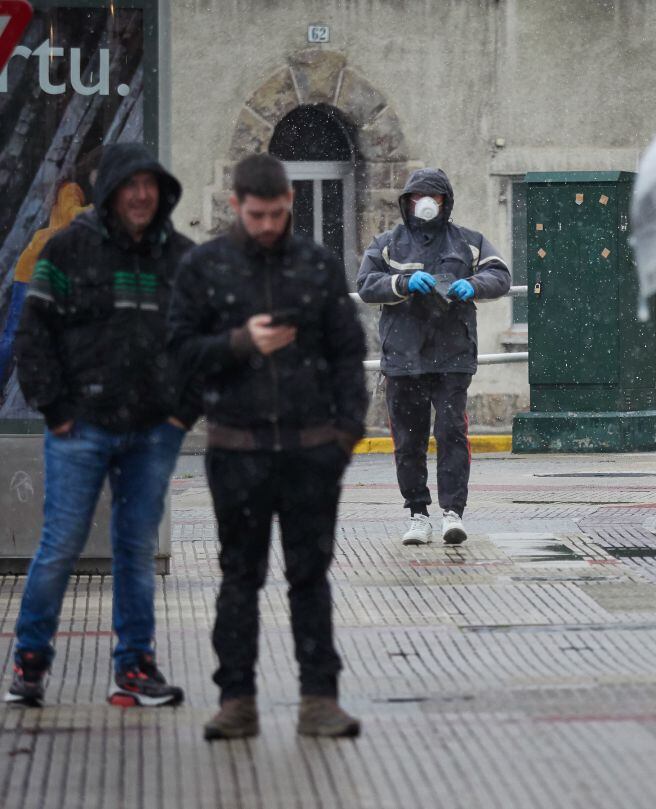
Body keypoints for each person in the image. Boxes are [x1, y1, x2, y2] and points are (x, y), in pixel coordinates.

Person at [168, 153, 368, 740]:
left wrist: (345, 436)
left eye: (278, 213)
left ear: (289, 203)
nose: (268, 225)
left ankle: (319, 699)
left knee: (311, 575)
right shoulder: (206, 267)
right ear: (236, 205)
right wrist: (238, 342)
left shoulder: (317, 266)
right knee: (239, 577)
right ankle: (236, 700)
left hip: (311, 451)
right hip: (237, 449)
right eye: (257, 215)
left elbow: (347, 353)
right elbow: (178, 351)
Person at [6, 143, 197, 708]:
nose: (141, 195)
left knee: (135, 550)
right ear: (111, 190)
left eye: (150, 185)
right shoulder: (66, 250)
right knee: (60, 546)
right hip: (80, 427)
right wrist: (57, 410)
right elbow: (32, 336)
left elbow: (204, 344)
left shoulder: (182, 259)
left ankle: (135, 667)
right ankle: (30, 661)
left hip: (152, 433)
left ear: (162, 193)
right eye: (129, 184)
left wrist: (182, 414)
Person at [357, 168, 510, 546]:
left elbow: (500, 275)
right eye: (418, 197)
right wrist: (402, 283)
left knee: (450, 433)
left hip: (452, 358)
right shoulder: (387, 244)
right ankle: (417, 514)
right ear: (407, 201)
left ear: (446, 202)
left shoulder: (467, 243)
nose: (426, 204)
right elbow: (365, 284)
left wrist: (471, 284)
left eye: (434, 197)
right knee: (408, 442)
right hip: (403, 359)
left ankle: (452, 513)